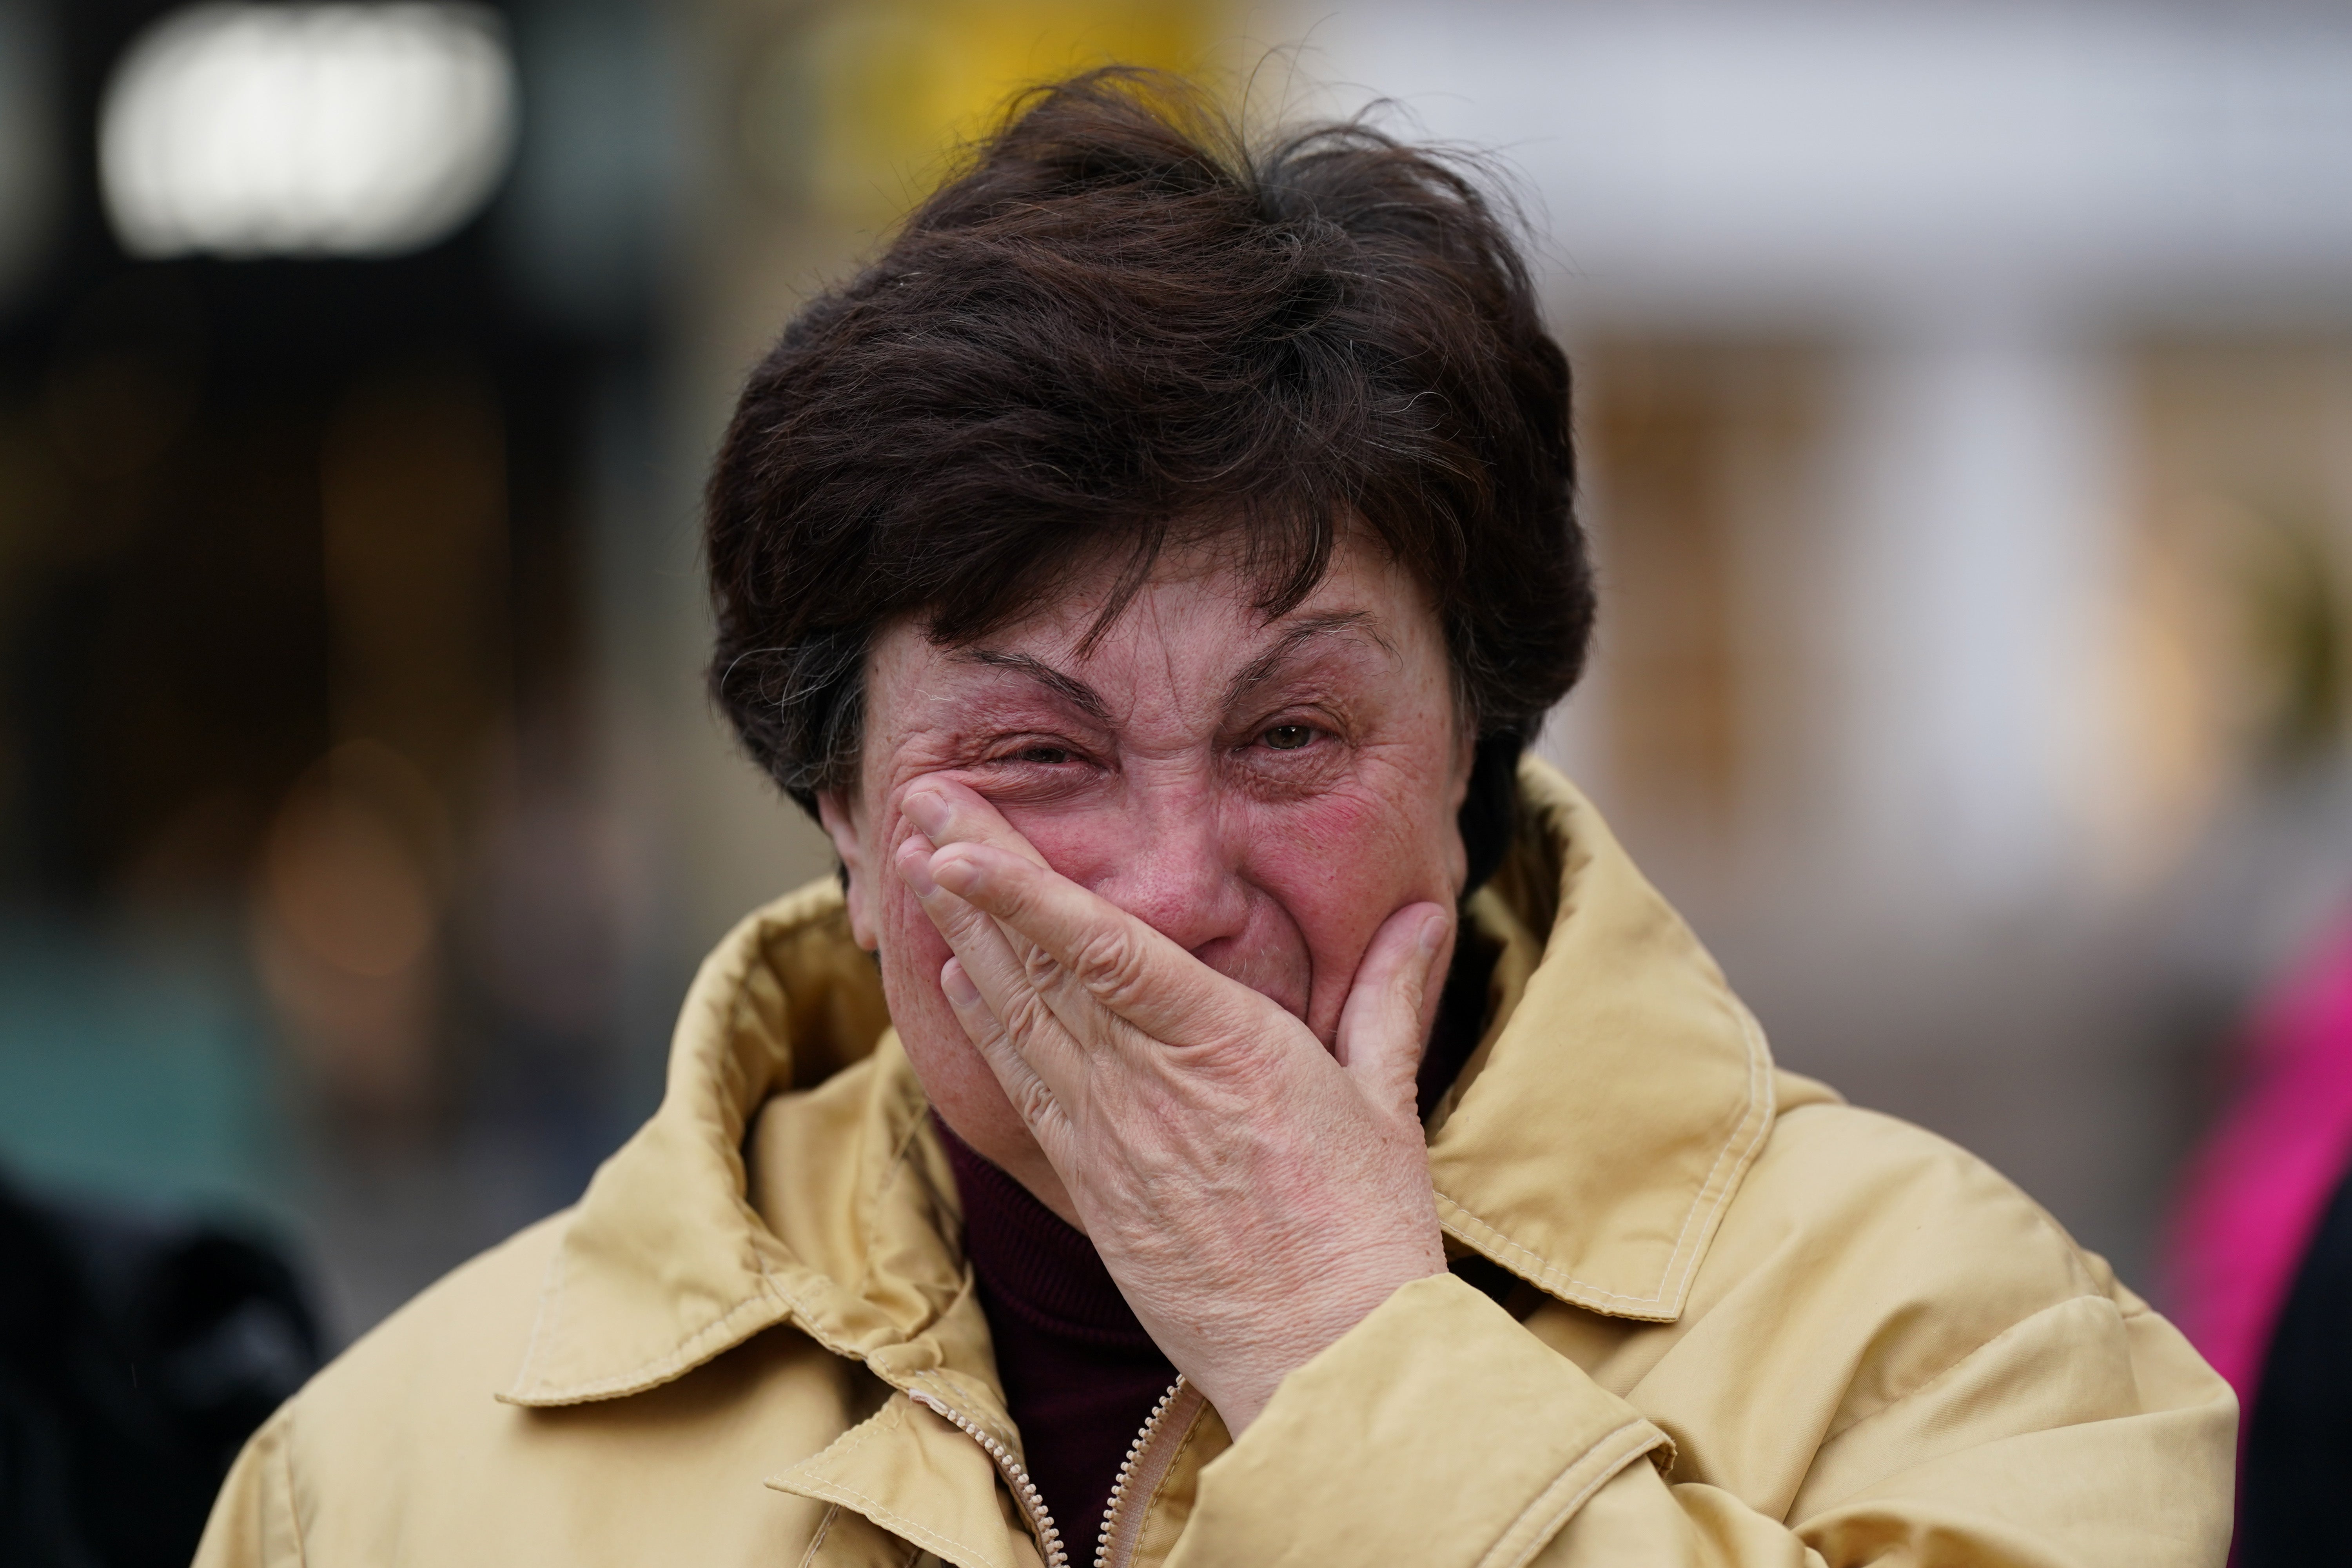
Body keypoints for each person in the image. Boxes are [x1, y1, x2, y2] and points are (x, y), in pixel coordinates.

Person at [195, 70, 2233, 1567]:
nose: (1172, 893)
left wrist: (1352, 1360)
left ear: (1477, 751)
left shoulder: (1965, 1337)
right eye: (1037, 759)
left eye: (1290, 738)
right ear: (834, 798)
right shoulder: (385, 1484)